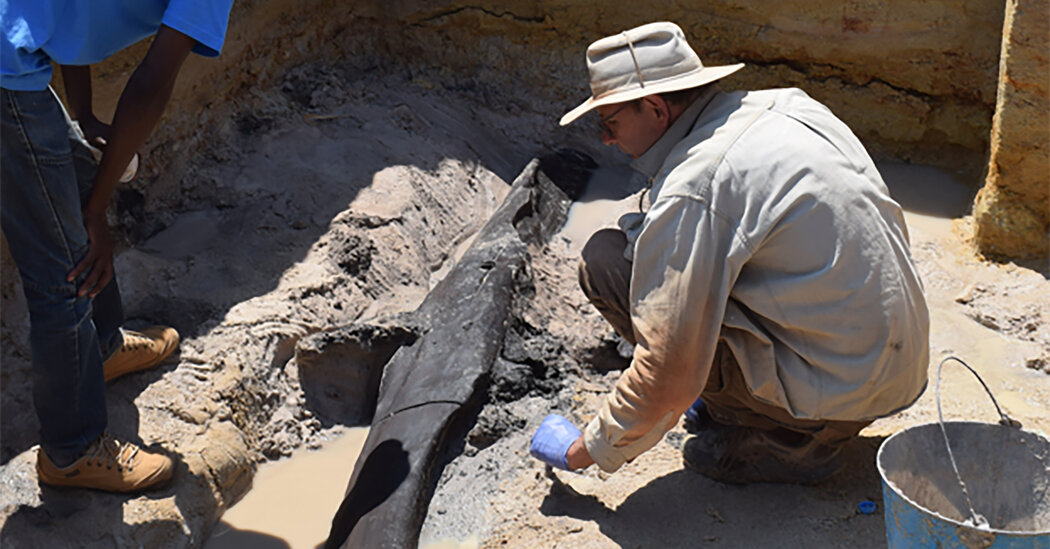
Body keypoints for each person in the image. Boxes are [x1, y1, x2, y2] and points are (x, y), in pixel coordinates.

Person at [530, 21, 929, 484]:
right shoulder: (789, 105)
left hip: (840, 395)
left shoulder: (698, 183)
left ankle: (789, 442)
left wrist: (586, 451)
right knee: (654, 265)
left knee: (606, 263)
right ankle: (761, 409)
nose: (605, 139)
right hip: (895, 366)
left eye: (610, 122)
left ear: (656, 108)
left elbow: (666, 370)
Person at [1, 0, 234, 492]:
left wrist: (82, 115)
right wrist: (97, 211)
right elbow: (151, 82)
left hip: (13, 50)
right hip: (8, 74)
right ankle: (73, 450)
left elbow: (65, 14)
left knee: (80, 180)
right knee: (65, 269)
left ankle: (103, 348)